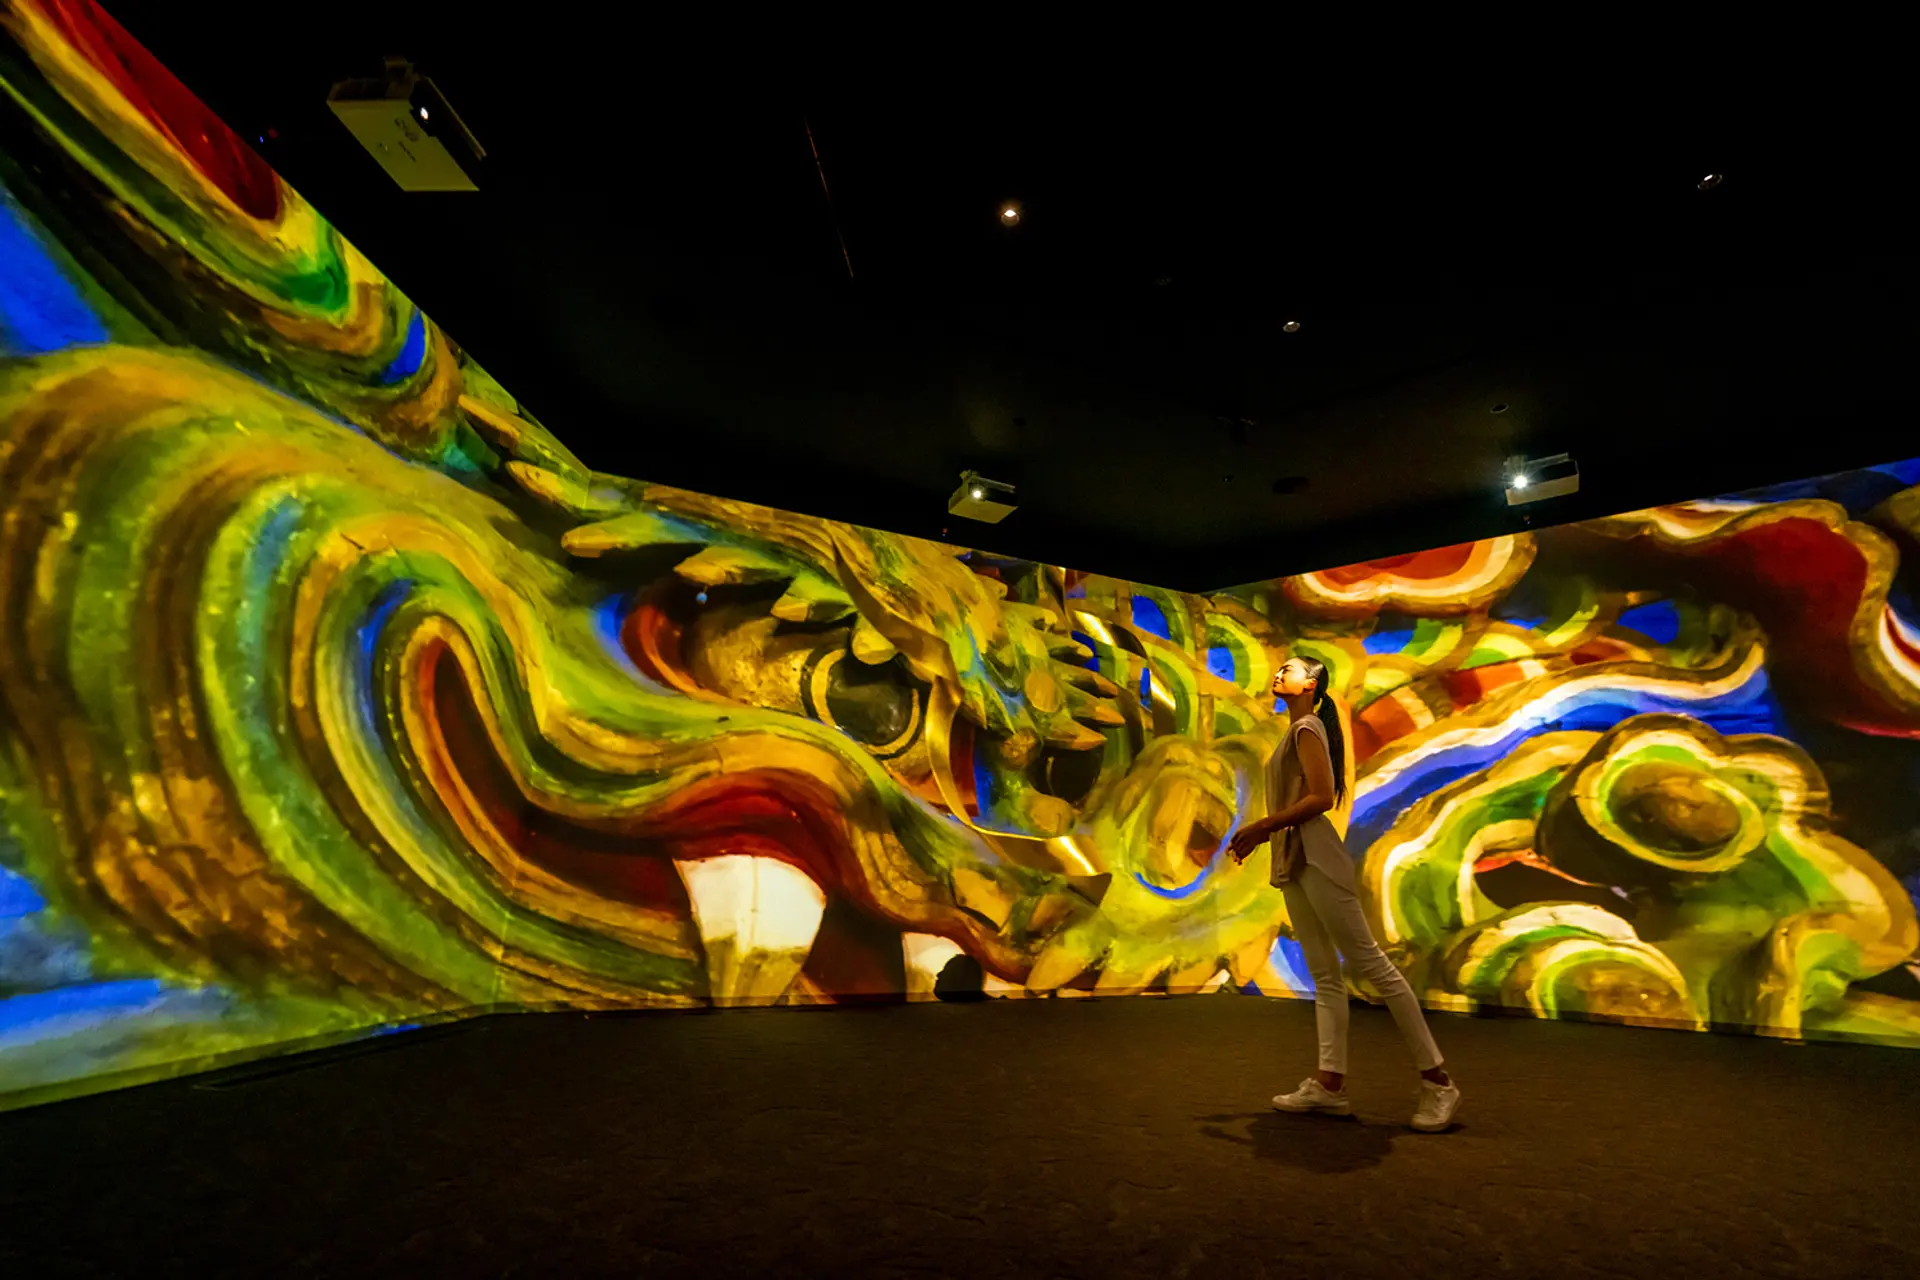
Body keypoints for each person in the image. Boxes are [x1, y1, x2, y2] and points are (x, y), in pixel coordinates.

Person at [1227, 656, 1462, 1133]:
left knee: (1371, 964)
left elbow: (1321, 795)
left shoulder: (1307, 727)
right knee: (1324, 975)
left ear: (1311, 685)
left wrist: (1262, 827)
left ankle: (1439, 1082)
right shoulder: (1297, 730)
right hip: (1294, 856)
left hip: (1314, 854)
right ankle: (1329, 1085)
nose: (1280, 672)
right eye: (1280, 668)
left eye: (1291, 669)